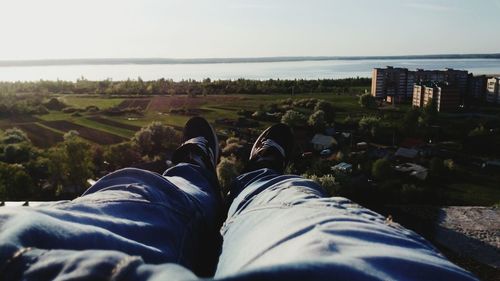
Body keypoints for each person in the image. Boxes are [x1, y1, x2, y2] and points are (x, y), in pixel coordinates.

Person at [0, 117, 477, 281]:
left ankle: (193, 171)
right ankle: (259, 177)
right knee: (301, 212)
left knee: (129, 196)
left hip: (25, 255)